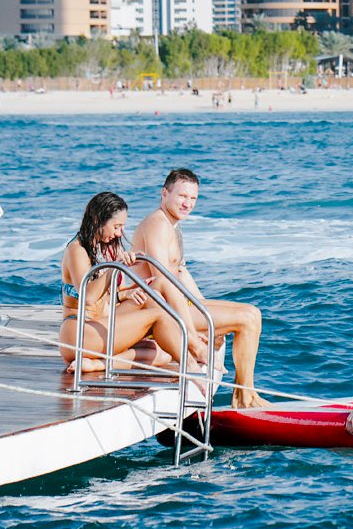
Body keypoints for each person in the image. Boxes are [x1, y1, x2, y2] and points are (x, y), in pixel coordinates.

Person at [131, 168, 269, 408]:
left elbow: (182, 274)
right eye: (182, 196)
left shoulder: (171, 224)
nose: (188, 204)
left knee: (251, 313)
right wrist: (193, 333)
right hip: (159, 312)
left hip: (176, 304)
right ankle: (244, 398)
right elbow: (162, 281)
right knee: (247, 318)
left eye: (193, 198)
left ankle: (245, 394)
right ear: (165, 193)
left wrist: (203, 307)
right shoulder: (157, 225)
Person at [59, 192, 206, 374]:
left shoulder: (109, 246)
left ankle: (99, 364)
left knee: (163, 352)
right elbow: (88, 297)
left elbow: (116, 293)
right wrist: (116, 267)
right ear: (97, 220)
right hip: (80, 332)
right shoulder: (77, 250)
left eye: (122, 227)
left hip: (105, 322)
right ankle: (192, 361)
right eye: (117, 226)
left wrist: (130, 291)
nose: (120, 233)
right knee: (158, 316)